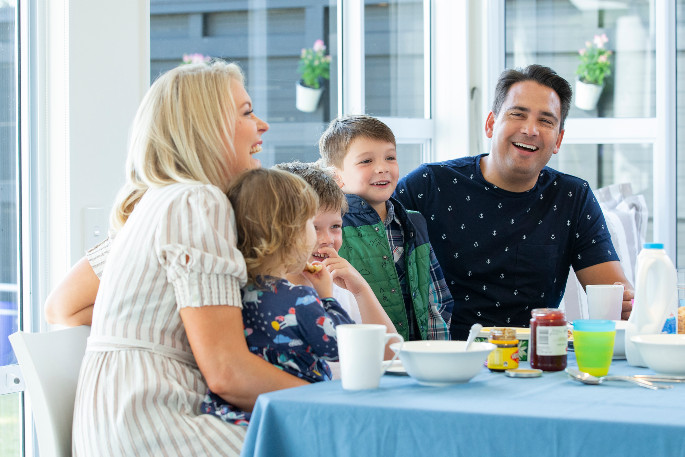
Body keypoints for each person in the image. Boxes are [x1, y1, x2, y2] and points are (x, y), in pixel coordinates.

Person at [66, 61, 308, 456]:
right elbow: (228, 373)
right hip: (157, 422)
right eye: (247, 112)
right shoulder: (198, 202)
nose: (262, 125)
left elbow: (63, 306)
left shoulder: (156, 202)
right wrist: (331, 403)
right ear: (205, 127)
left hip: (113, 422)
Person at [394, 64, 634, 340]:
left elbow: (616, 297)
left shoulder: (572, 197)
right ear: (490, 124)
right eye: (517, 114)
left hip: (536, 356)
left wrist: (630, 304)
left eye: (546, 121)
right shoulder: (427, 185)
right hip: (446, 353)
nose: (530, 129)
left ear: (559, 139)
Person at [201, 168, 354, 425]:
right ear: (292, 235)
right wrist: (327, 297)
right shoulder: (301, 299)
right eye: (311, 224)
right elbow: (343, 347)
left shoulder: (231, 293)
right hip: (299, 417)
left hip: (238, 415)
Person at [318, 115, 453, 341]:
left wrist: (436, 351)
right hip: (361, 353)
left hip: (414, 355)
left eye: (390, 157)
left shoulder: (414, 222)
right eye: (366, 161)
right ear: (335, 176)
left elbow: (437, 300)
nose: (382, 168)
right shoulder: (331, 232)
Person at [274, 160, 398, 361]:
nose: (328, 240)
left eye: (335, 227)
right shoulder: (268, 295)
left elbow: (392, 356)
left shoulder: (343, 293)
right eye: (314, 227)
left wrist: (361, 291)